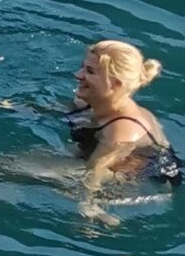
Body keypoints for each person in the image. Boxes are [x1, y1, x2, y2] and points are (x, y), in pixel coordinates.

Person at [66, 40, 181, 194]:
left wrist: (89, 208)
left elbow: (93, 175)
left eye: (90, 71)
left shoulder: (122, 131)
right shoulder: (93, 102)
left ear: (115, 84)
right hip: (99, 154)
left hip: (141, 185)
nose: (78, 75)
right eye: (82, 67)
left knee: (24, 167)